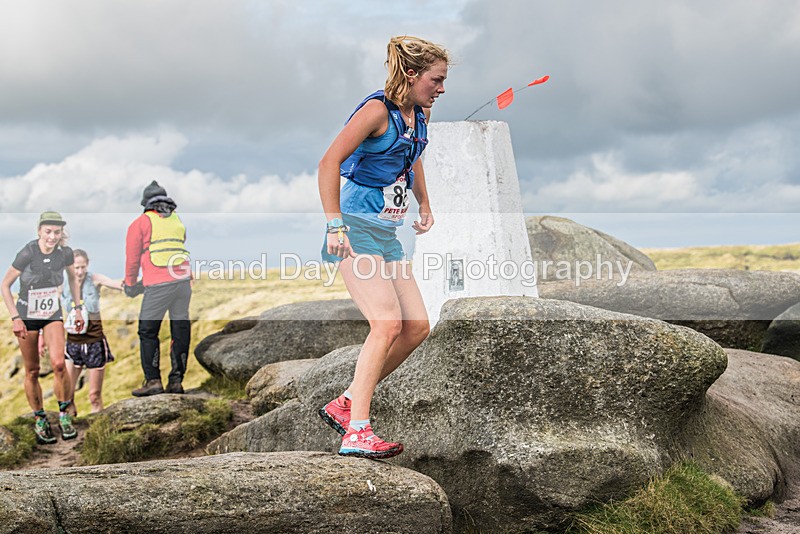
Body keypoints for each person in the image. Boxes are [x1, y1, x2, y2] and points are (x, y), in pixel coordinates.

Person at [317, 35, 448, 459]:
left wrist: (424, 201)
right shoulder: (376, 111)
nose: (442, 88)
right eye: (437, 79)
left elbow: (413, 158)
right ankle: (357, 431)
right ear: (411, 75)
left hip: (387, 236)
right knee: (387, 323)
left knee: (416, 327)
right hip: (354, 229)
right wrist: (334, 224)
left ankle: (347, 401)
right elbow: (328, 162)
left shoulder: (419, 114)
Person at [1, 211, 84, 443]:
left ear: (61, 234)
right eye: (48, 231)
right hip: (27, 315)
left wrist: (77, 308)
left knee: (59, 364)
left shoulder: (65, 254)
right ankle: (40, 418)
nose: (52, 236)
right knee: (32, 370)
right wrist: (16, 317)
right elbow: (5, 285)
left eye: (56, 232)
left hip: (52, 314)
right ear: (39, 231)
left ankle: (63, 413)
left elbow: (73, 280)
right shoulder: (28, 252)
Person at [124, 181, 192, 396]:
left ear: (146, 204)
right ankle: (176, 381)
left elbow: (133, 258)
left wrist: (130, 283)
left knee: (148, 331)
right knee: (179, 330)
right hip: (182, 282)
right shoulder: (177, 220)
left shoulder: (141, 222)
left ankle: (153, 381)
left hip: (158, 285)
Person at [61, 249, 123, 413]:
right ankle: (71, 424)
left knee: (94, 395)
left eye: (83, 267)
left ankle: (97, 429)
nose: (80, 271)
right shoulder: (63, 283)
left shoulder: (94, 279)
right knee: (67, 394)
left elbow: (116, 284)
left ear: (87, 265)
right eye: (76, 268)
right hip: (73, 343)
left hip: (94, 341)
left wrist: (132, 284)